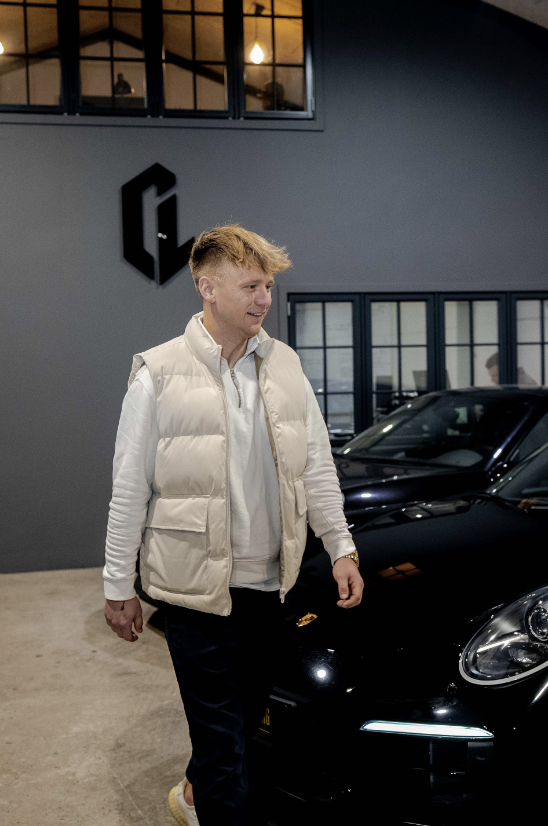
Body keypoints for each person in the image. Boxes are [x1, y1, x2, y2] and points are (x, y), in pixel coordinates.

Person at [103, 224, 363, 826]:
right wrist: (117, 583)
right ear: (207, 288)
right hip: (195, 592)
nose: (264, 299)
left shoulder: (286, 365)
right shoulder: (158, 373)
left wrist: (341, 546)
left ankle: (193, 795)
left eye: (268, 286)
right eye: (250, 286)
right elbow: (129, 487)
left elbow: (316, 466)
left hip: (271, 586)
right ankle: (212, 800)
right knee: (224, 750)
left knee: (240, 725)